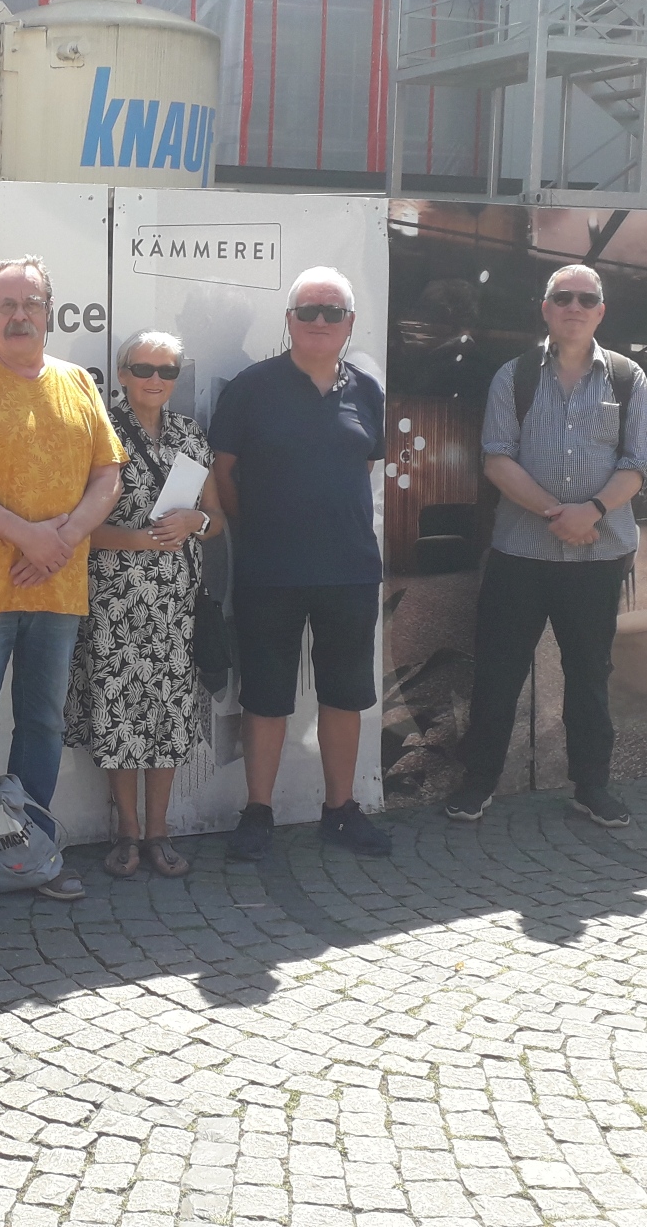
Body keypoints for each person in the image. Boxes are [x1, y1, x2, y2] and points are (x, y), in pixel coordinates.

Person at [0, 255, 125, 915]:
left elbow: (108, 476)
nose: (19, 315)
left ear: (49, 311)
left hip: (57, 587)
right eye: (6, 304)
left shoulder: (77, 383)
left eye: (30, 303)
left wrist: (57, 540)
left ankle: (30, 850)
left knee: (41, 724)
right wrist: (29, 536)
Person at [445, 265, 647, 829]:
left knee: (589, 673)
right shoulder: (512, 377)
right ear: (545, 308)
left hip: (599, 551)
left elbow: (640, 463)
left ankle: (592, 787)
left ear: (601, 311)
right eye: (562, 297)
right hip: (521, 551)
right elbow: (496, 458)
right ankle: (479, 781)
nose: (575, 305)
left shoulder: (626, 377)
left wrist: (590, 512)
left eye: (587, 298)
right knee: (498, 672)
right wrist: (555, 514)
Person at [211, 266, 390, 861]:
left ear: (350, 324)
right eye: (307, 311)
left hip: (350, 571)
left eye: (331, 313)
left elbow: (361, 467)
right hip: (270, 570)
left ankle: (339, 810)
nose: (319, 321)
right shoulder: (251, 387)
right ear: (288, 321)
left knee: (345, 695)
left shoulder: (366, 390)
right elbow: (224, 475)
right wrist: (262, 529)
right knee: (265, 696)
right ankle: (257, 812)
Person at [67, 330, 224, 879]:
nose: (155, 380)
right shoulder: (97, 431)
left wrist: (195, 523)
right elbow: (76, 527)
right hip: (115, 599)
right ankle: (127, 833)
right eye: (144, 368)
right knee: (120, 714)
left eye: (167, 371)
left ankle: (160, 833)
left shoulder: (190, 435)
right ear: (123, 373)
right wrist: (138, 541)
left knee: (169, 716)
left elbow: (216, 517)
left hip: (176, 602)